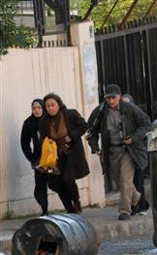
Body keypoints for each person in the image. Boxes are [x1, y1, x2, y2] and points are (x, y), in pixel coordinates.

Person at [88, 84, 151, 221]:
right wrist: (94, 146)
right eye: (108, 98)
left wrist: (134, 137)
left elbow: (146, 123)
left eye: (113, 97)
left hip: (129, 150)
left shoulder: (130, 108)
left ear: (119, 96)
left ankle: (125, 210)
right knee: (119, 181)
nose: (111, 101)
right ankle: (136, 196)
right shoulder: (100, 111)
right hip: (111, 150)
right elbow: (91, 129)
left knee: (125, 179)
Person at [39, 93, 89, 214]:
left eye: (53, 105)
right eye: (48, 106)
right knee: (57, 182)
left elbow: (84, 126)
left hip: (72, 153)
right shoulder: (44, 121)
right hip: (56, 155)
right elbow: (43, 139)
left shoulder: (70, 114)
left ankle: (76, 201)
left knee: (67, 178)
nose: (50, 108)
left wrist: (71, 136)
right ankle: (69, 208)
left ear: (59, 104)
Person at [121, 94, 150, 215]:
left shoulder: (137, 117)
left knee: (138, 181)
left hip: (137, 153)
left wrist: (134, 138)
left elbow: (145, 130)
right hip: (124, 153)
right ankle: (132, 206)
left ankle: (141, 206)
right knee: (126, 182)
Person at [20, 98, 49, 215]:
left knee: (57, 182)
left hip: (54, 157)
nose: (36, 110)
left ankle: (71, 206)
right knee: (40, 186)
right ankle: (45, 209)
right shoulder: (29, 123)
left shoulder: (49, 119)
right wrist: (32, 158)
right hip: (39, 159)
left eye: (39, 108)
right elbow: (24, 143)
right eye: (34, 108)